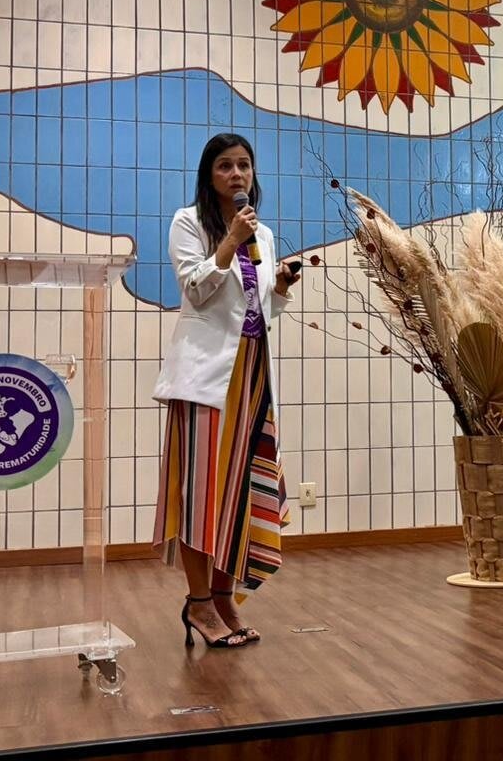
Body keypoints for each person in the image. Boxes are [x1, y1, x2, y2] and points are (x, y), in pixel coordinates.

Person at [152, 133, 301, 649]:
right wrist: (230, 241)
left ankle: (222, 597)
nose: (237, 174)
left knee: (238, 492)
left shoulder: (264, 232)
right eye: (224, 166)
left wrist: (280, 287)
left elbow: (257, 310)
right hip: (205, 379)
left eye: (244, 165)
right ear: (208, 175)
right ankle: (197, 601)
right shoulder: (187, 222)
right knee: (202, 494)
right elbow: (195, 289)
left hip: (251, 374)